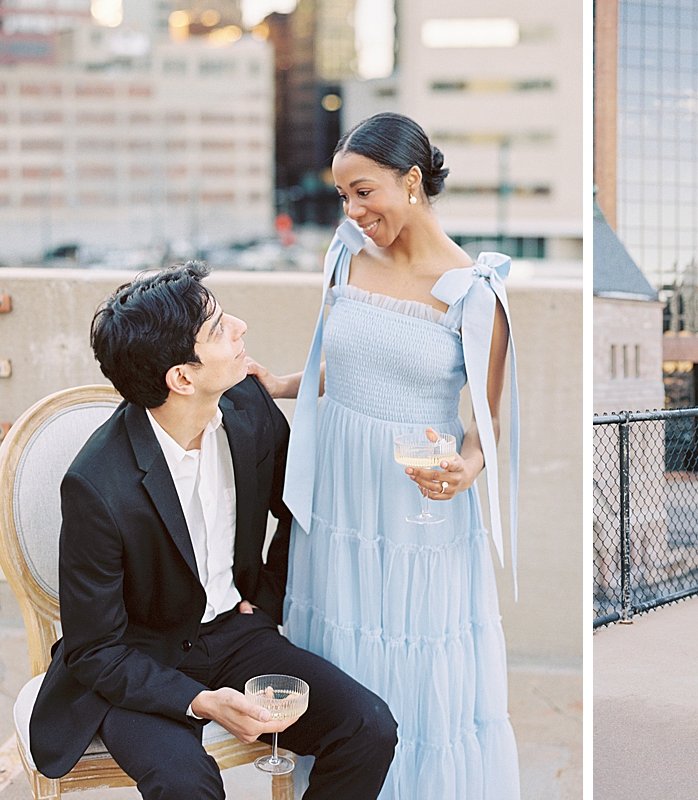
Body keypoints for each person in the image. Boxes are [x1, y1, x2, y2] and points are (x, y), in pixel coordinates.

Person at [29, 264, 397, 799]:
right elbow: (95, 651)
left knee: (367, 727)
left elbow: (297, 505)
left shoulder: (248, 406)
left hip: (235, 633)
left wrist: (266, 599)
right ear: (182, 377)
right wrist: (201, 700)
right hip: (137, 659)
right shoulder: (96, 485)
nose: (241, 327)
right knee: (186, 783)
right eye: (220, 327)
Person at [247, 112, 521, 799]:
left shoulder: (474, 289)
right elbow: (340, 361)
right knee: (339, 644)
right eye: (344, 196)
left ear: (411, 181)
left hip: (412, 507)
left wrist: (467, 471)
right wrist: (281, 384)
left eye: (364, 192)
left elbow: (491, 425)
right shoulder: (344, 255)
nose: (353, 210)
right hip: (335, 490)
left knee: (410, 649)